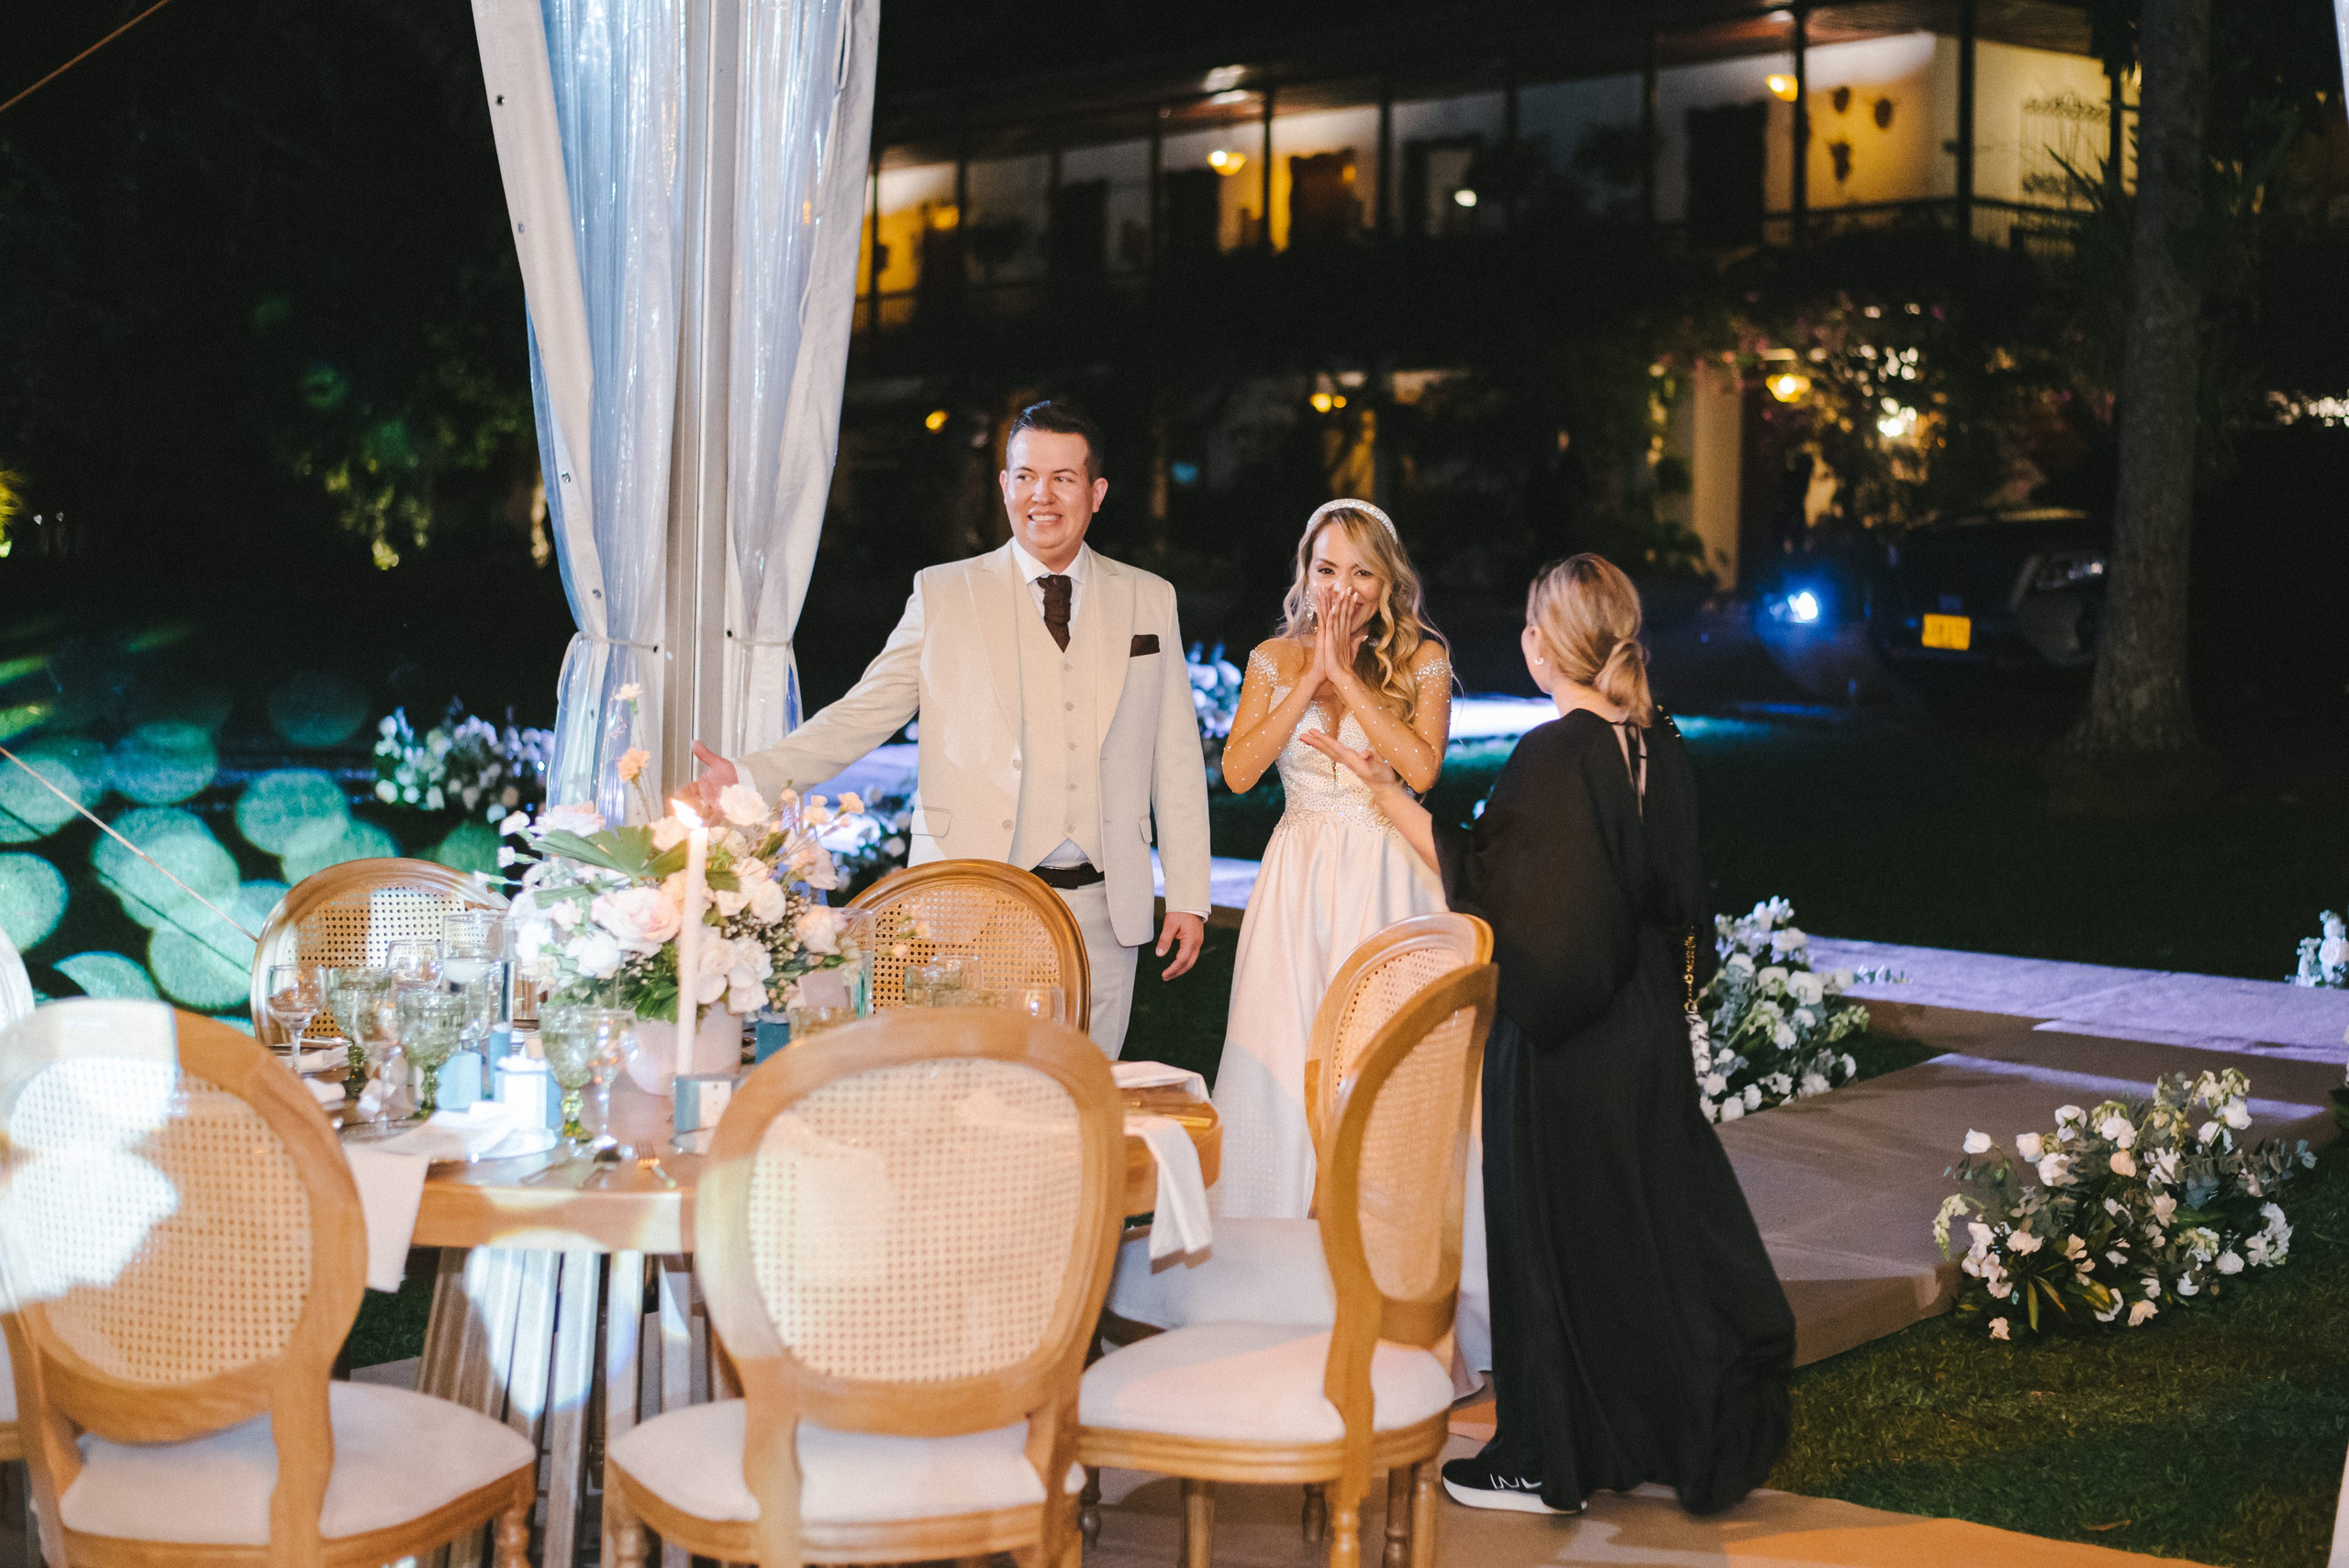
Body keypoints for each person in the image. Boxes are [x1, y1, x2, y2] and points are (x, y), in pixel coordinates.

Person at [1303, 553, 1794, 1518]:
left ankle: (1539, 1460)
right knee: (1634, 1238)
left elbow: (1506, 899)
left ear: (1549, 644)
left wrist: (1397, 805)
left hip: (1567, 1044)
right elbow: (1661, 890)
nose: (1520, 637)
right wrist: (1382, 783)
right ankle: (1654, 1430)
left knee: (1549, 1244)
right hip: (1644, 1029)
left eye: (1529, 622)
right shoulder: (1659, 741)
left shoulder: (1555, 753)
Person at [688, 401, 1211, 1056]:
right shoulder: (943, 593)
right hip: (974, 901)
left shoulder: (1148, 597)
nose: (1040, 496)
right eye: (1024, 476)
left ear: (1096, 492)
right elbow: (865, 710)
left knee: (1085, 1096)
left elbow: (1176, 756)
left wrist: (1189, 892)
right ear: (1003, 485)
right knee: (973, 1092)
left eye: (1062, 478)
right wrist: (751, 773)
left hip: (1105, 912)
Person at [1208, 500, 1453, 1218]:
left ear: (1386, 583)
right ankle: (1271, 1230)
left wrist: (1347, 679)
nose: (1341, 588)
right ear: (1304, 573)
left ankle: (1376, 1232)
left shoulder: (1422, 660)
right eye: (1326, 569)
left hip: (1388, 877)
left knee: (1381, 1057)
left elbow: (1423, 768)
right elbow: (1239, 772)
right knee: (1285, 1046)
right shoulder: (1271, 658)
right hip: (1300, 880)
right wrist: (1311, 678)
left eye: (1361, 572)